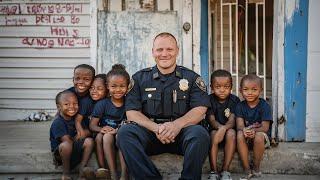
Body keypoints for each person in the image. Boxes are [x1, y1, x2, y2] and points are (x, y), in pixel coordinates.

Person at [116, 32, 210, 180]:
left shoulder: (192, 78)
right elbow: (132, 112)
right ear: (153, 52)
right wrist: (157, 128)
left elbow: (200, 109)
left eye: (169, 49)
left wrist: (176, 125)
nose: (164, 54)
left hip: (181, 134)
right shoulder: (139, 78)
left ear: (177, 51)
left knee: (200, 134)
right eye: (159, 50)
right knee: (125, 132)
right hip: (151, 134)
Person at [90, 64, 129, 180]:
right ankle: (113, 173)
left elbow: (131, 121)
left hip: (121, 134)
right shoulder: (102, 104)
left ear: (128, 86)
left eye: (122, 86)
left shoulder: (129, 102)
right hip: (107, 136)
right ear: (107, 86)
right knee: (106, 137)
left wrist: (118, 130)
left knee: (122, 136)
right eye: (114, 86)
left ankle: (124, 175)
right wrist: (101, 129)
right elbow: (92, 125)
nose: (118, 90)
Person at [49, 90, 94, 180]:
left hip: (74, 148)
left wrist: (84, 133)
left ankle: (82, 169)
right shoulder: (58, 122)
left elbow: (89, 132)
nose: (72, 107)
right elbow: (67, 141)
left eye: (75, 103)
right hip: (61, 155)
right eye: (66, 104)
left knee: (89, 141)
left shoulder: (77, 118)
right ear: (59, 107)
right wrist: (79, 136)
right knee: (66, 145)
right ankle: (66, 174)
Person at [235, 74, 272, 179]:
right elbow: (239, 125)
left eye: (254, 89)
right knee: (239, 134)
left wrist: (254, 131)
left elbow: (265, 127)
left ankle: (256, 167)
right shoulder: (240, 106)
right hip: (246, 136)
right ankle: (247, 168)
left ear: (261, 90)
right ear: (240, 90)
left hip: (260, 138)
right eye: (246, 89)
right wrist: (244, 130)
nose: (250, 93)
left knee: (259, 136)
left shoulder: (264, 106)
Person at [206, 70, 240, 180]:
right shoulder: (209, 100)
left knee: (232, 133)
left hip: (228, 131)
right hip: (215, 131)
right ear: (211, 87)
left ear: (231, 87)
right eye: (218, 87)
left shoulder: (235, 100)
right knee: (213, 134)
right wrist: (220, 129)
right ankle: (214, 171)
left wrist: (223, 129)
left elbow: (232, 120)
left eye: (226, 87)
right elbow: (211, 120)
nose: (222, 90)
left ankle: (225, 170)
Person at [88, 73, 110, 178]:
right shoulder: (88, 102)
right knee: (98, 137)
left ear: (107, 89)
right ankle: (102, 169)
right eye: (91, 88)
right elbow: (92, 125)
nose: (94, 91)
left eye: (99, 88)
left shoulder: (109, 102)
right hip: (96, 132)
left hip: (108, 133)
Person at [68, 64, 95, 140]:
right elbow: (60, 115)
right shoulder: (67, 95)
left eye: (86, 79)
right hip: (71, 127)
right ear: (73, 79)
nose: (81, 82)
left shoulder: (95, 95)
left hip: (89, 128)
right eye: (77, 78)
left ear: (93, 81)